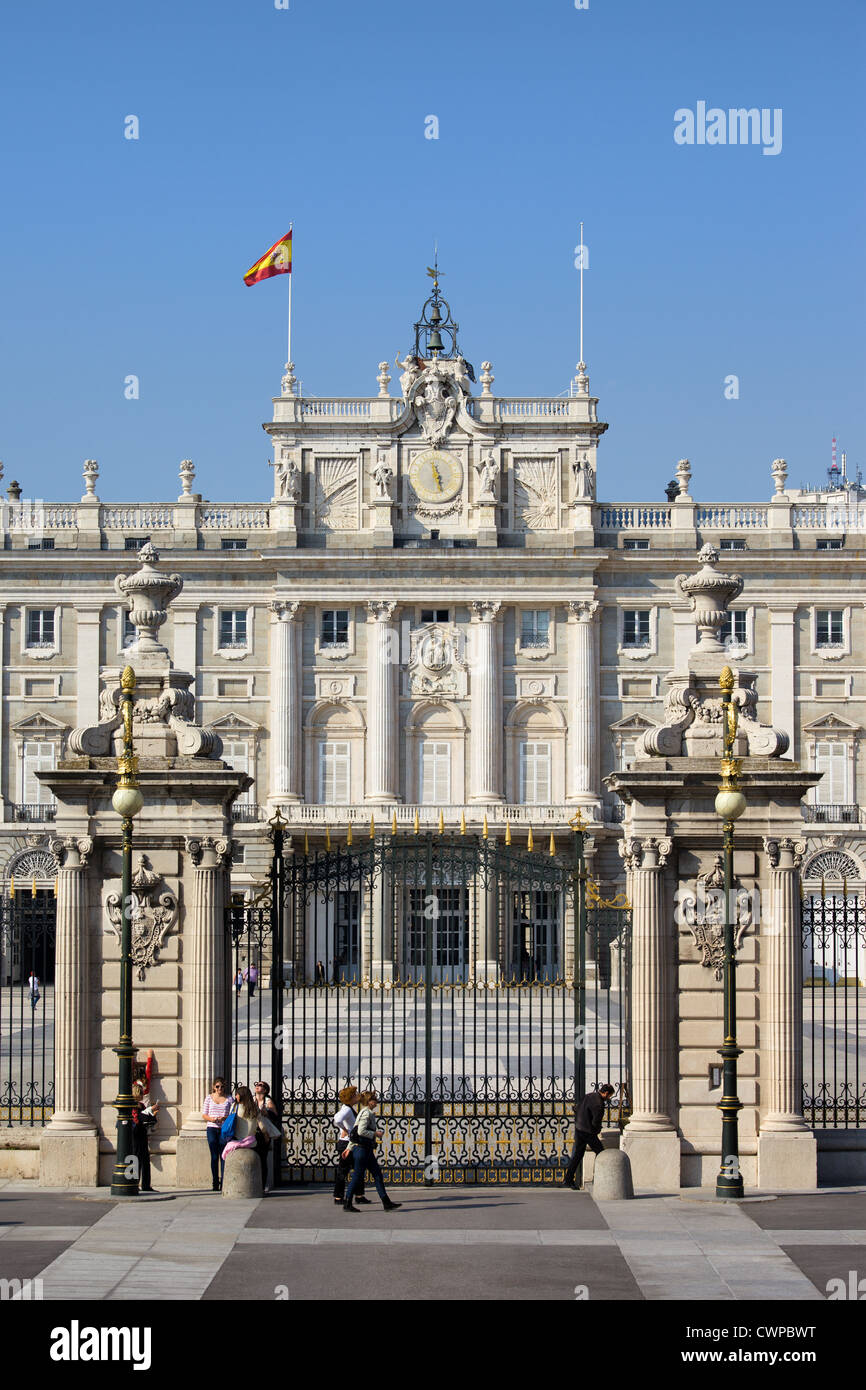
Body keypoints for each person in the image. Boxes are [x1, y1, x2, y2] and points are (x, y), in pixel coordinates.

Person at [343, 1091, 401, 1213]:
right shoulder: (366, 1113)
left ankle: (386, 1202)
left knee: (377, 1175)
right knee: (357, 1176)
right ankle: (347, 1202)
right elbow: (360, 1132)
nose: (376, 1102)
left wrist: (349, 1147)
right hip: (362, 1150)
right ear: (369, 1101)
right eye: (374, 1099)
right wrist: (375, 1133)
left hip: (365, 1150)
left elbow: (354, 1131)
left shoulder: (364, 1112)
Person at [563, 1083, 615, 1189]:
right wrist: (596, 1130)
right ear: (605, 1093)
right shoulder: (599, 1103)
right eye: (609, 1096)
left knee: (578, 1155)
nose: (609, 1098)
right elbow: (596, 1121)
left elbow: (576, 1108)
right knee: (601, 1152)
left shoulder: (589, 1095)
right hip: (588, 1131)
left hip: (579, 1128)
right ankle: (602, 1177)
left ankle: (568, 1179)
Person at [332, 1085, 368, 1206]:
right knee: (345, 1170)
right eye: (355, 1094)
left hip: (350, 1142)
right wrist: (345, 1129)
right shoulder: (347, 1109)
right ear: (351, 1097)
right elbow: (337, 1119)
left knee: (357, 1168)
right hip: (347, 1143)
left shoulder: (348, 1108)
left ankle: (359, 1195)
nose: (357, 1095)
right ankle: (339, 1196)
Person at [220, 1086, 262, 1183]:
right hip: (251, 1141)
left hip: (236, 1140)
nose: (236, 1096)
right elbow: (261, 1124)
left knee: (224, 1156)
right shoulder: (255, 1107)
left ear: (241, 1095)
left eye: (237, 1094)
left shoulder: (235, 1106)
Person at [202, 1076, 232, 1192]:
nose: (220, 1089)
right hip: (212, 1128)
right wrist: (213, 1119)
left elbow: (233, 1114)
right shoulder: (209, 1098)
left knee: (223, 1155)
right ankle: (215, 1181)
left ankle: (224, 1182)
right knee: (214, 1156)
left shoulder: (229, 1098)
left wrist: (224, 1118)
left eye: (222, 1087)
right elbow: (204, 1115)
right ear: (214, 1087)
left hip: (224, 1129)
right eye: (218, 1086)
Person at [131, 1081, 159, 1192]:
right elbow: (137, 1118)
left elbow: (147, 1119)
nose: (143, 1094)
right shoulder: (132, 1106)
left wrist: (152, 1114)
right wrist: (150, 1111)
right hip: (135, 1136)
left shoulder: (141, 1105)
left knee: (145, 1160)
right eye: (141, 1092)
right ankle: (134, 1183)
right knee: (136, 1160)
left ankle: (146, 1185)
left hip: (142, 1134)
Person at [253, 1080, 280, 1191]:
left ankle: (263, 1185)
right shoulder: (252, 1099)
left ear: (265, 1090)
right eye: (257, 1085)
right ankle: (254, 1183)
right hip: (252, 1132)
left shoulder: (268, 1101)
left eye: (261, 1085)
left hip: (264, 1134)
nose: (258, 1086)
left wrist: (267, 1113)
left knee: (263, 1159)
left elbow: (275, 1115)